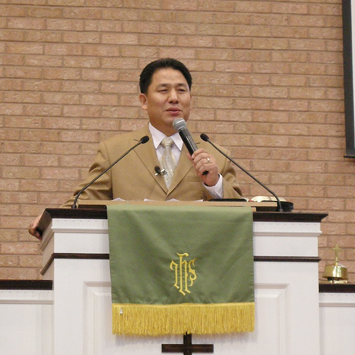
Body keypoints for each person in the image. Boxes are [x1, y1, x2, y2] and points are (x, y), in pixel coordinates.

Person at [28, 58, 243, 239]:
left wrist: (215, 184)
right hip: (133, 259)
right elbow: (82, 201)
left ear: (191, 100)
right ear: (144, 101)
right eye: (164, 90)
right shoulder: (115, 152)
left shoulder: (216, 155)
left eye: (181, 90)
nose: (174, 98)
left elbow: (242, 214)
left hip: (194, 262)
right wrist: (50, 219)